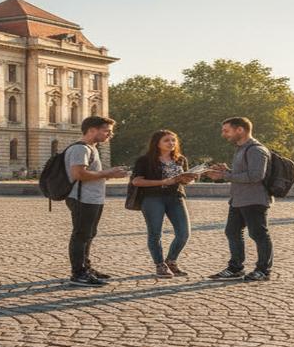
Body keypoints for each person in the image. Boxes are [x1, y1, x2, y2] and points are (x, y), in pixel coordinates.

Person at [65, 116, 130, 287]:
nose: (111, 134)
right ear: (92, 130)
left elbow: (90, 175)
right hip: (81, 198)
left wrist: (108, 174)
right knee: (81, 235)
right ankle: (78, 273)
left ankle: (86, 268)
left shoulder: (91, 148)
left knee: (89, 234)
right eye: (107, 131)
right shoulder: (81, 149)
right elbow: (79, 174)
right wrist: (109, 173)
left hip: (92, 198)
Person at [208, 117, 273, 282]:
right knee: (232, 231)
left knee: (258, 234)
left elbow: (256, 176)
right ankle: (236, 268)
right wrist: (227, 171)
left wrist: (225, 175)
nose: (223, 134)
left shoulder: (256, 150)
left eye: (226, 130)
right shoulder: (241, 148)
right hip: (238, 199)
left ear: (240, 130)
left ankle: (263, 270)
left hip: (254, 199)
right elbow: (243, 173)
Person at [130, 129, 198, 278]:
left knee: (183, 233)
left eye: (173, 140)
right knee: (155, 233)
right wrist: (163, 182)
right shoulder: (145, 160)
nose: (171, 143)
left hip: (176, 198)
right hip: (152, 198)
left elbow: (184, 179)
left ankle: (171, 260)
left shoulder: (180, 159)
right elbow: (136, 181)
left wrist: (189, 179)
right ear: (157, 143)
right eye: (166, 140)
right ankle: (160, 265)